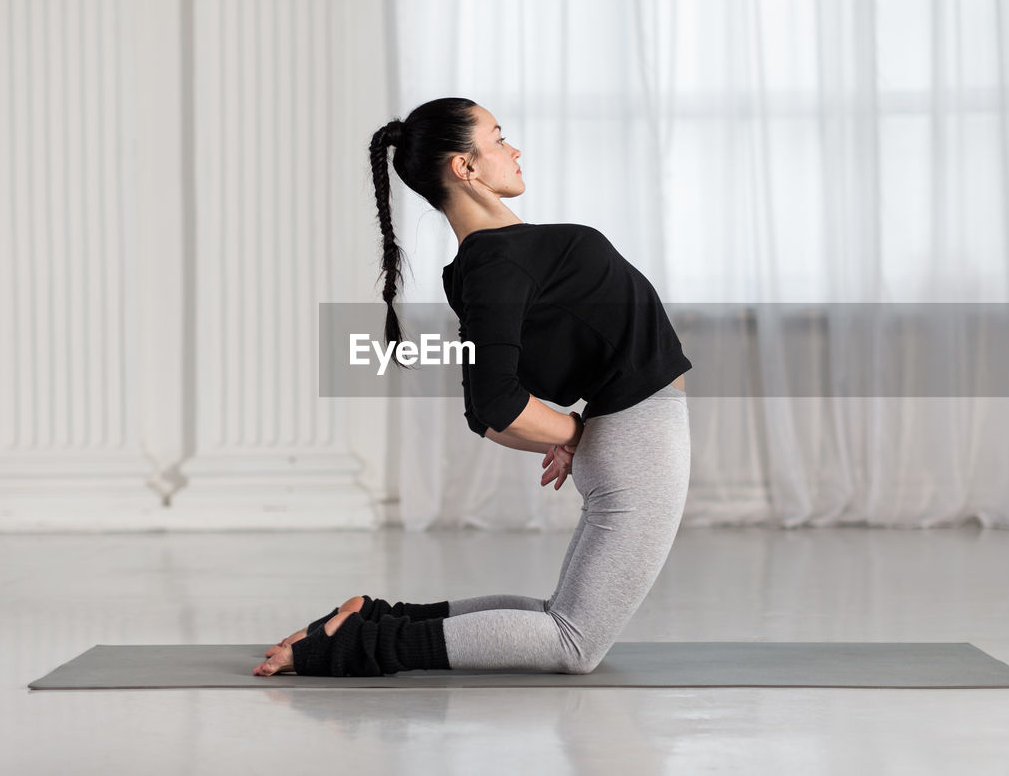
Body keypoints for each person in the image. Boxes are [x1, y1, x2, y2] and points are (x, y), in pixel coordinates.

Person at [253, 98, 691, 677]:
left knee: (560, 617)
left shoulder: (488, 263)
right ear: (466, 167)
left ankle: (382, 619)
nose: (514, 149)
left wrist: (568, 432)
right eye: (499, 138)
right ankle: (354, 648)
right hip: (639, 441)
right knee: (573, 644)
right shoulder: (495, 265)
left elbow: (491, 401)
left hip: (629, 434)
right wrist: (574, 430)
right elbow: (492, 405)